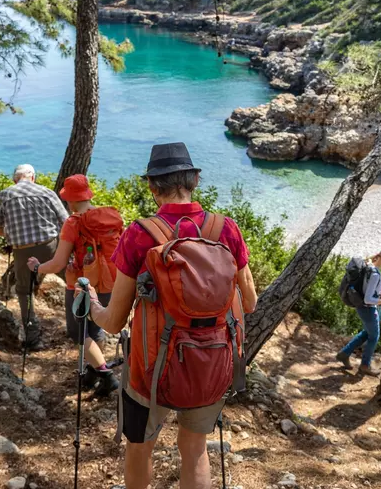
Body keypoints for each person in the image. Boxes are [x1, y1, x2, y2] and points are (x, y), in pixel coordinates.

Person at [75, 142, 258, 489]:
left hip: (150, 369)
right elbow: (249, 303)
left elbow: (113, 322)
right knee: (194, 448)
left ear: (152, 186)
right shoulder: (226, 230)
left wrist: (91, 303)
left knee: (140, 447)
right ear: (195, 180)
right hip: (212, 363)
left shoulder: (140, 234)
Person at [27, 174, 123, 396]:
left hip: (81, 286)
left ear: (69, 200)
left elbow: (58, 263)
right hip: (109, 282)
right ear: (87, 195)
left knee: (77, 332)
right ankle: (92, 371)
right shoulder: (107, 218)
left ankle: (106, 375)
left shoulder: (73, 223)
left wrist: (36, 267)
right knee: (95, 327)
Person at [0, 164, 68, 351]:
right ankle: (86, 323)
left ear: (14, 180)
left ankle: (34, 339)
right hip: (51, 246)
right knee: (73, 280)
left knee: (24, 291)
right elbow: (66, 221)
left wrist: (12, 235)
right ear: (33, 177)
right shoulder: (47, 192)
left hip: (22, 252)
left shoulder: (5, 194)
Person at [335, 246, 381, 376]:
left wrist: (379, 291)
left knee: (367, 333)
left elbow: (367, 288)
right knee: (374, 337)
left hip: (362, 307)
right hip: (367, 309)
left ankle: (344, 354)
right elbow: (368, 299)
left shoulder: (369, 265)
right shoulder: (375, 273)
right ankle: (365, 365)